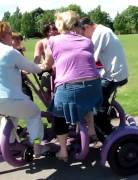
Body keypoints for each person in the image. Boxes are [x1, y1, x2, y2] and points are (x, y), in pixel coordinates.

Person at [39, 11, 102, 161]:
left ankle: (63, 151)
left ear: (60, 24)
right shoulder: (87, 41)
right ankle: (92, 131)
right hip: (94, 87)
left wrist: (39, 66)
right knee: (86, 100)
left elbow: (47, 64)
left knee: (58, 114)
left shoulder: (53, 41)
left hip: (69, 89)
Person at [0, 21, 44, 157]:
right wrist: (44, 66)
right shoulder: (9, 52)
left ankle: (9, 144)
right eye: (9, 33)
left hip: (4, 101)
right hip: (9, 98)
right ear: (4, 35)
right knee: (35, 113)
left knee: (9, 117)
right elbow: (32, 68)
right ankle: (37, 146)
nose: (11, 36)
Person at [79, 17, 128, 135]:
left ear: (87, 27)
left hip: (113, 75)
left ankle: (108, 135)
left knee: (96, 105)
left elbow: (91, 58)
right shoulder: (102, 30)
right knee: (98, 96)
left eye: (83, 34)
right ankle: (107, 114)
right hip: (113, 73)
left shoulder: (99, 34)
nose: (85, 37)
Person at [11, 32, 33, 101]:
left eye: (19, 39)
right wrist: (21, 71)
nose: (19, 41)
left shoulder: (18, 51)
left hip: (21, 81)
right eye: (16, 39)